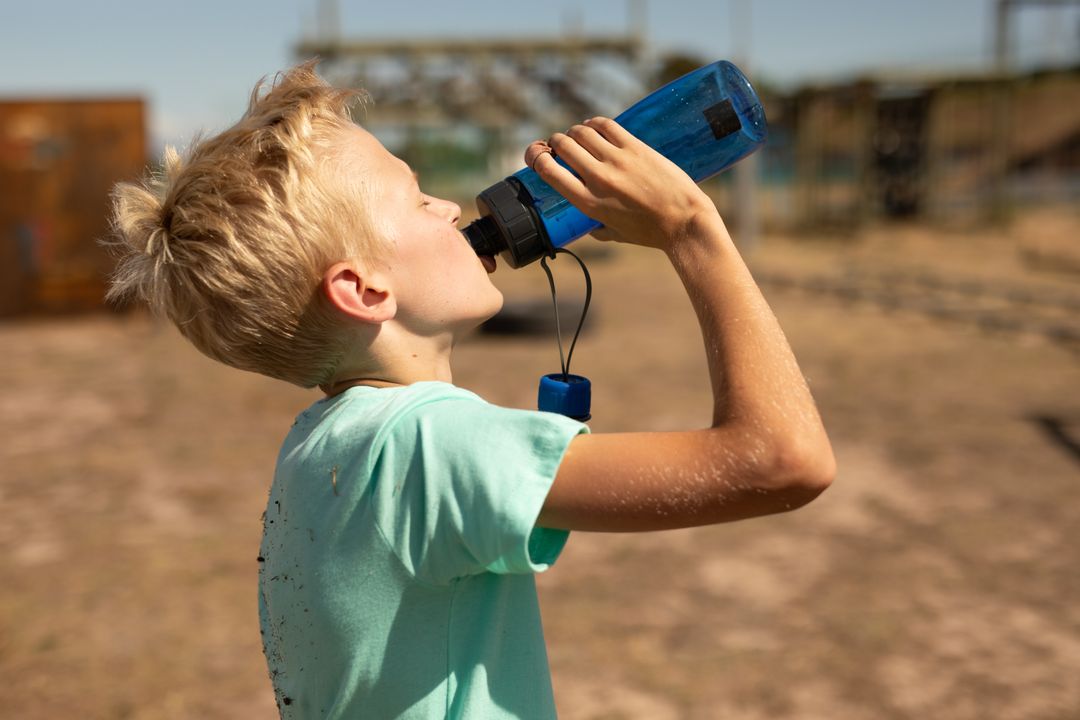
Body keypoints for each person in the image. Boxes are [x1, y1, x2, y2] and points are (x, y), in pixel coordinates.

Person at [106, 61, 834, 719]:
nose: (452, 209)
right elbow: (782, 460)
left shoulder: (322, 445)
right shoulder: (428, 445)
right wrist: (692, 229)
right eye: (417, 198)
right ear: (364, 289)